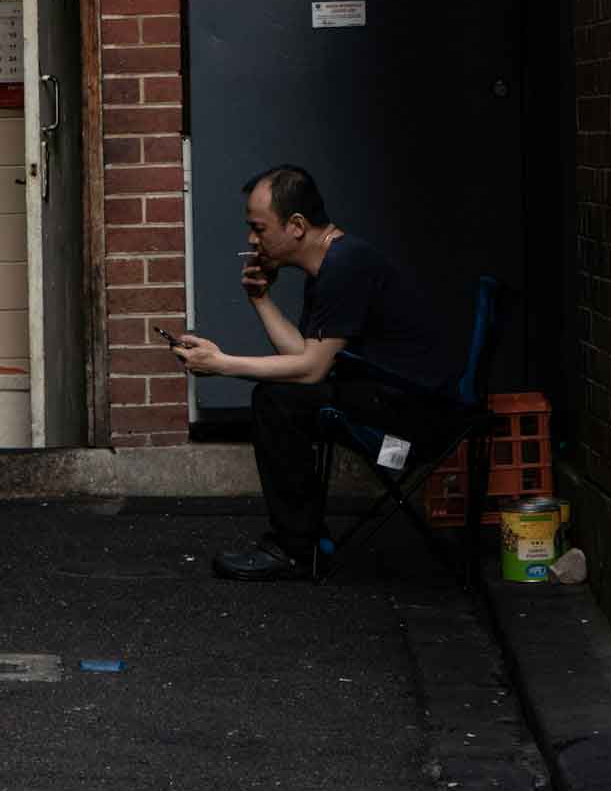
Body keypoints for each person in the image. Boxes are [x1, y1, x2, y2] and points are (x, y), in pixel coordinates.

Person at [174, 165, 447, 581]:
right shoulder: (332, 262)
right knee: (280, 396)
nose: (252, 239)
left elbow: (310, 370)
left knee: (276, 400)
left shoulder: (345, 268)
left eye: (259, 228)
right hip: (385, 394)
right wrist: (261, 299)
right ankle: (304, 540)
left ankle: (295, 549)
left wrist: (223, 364)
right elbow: (305, 355)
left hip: (412, 418)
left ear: (297, 225)